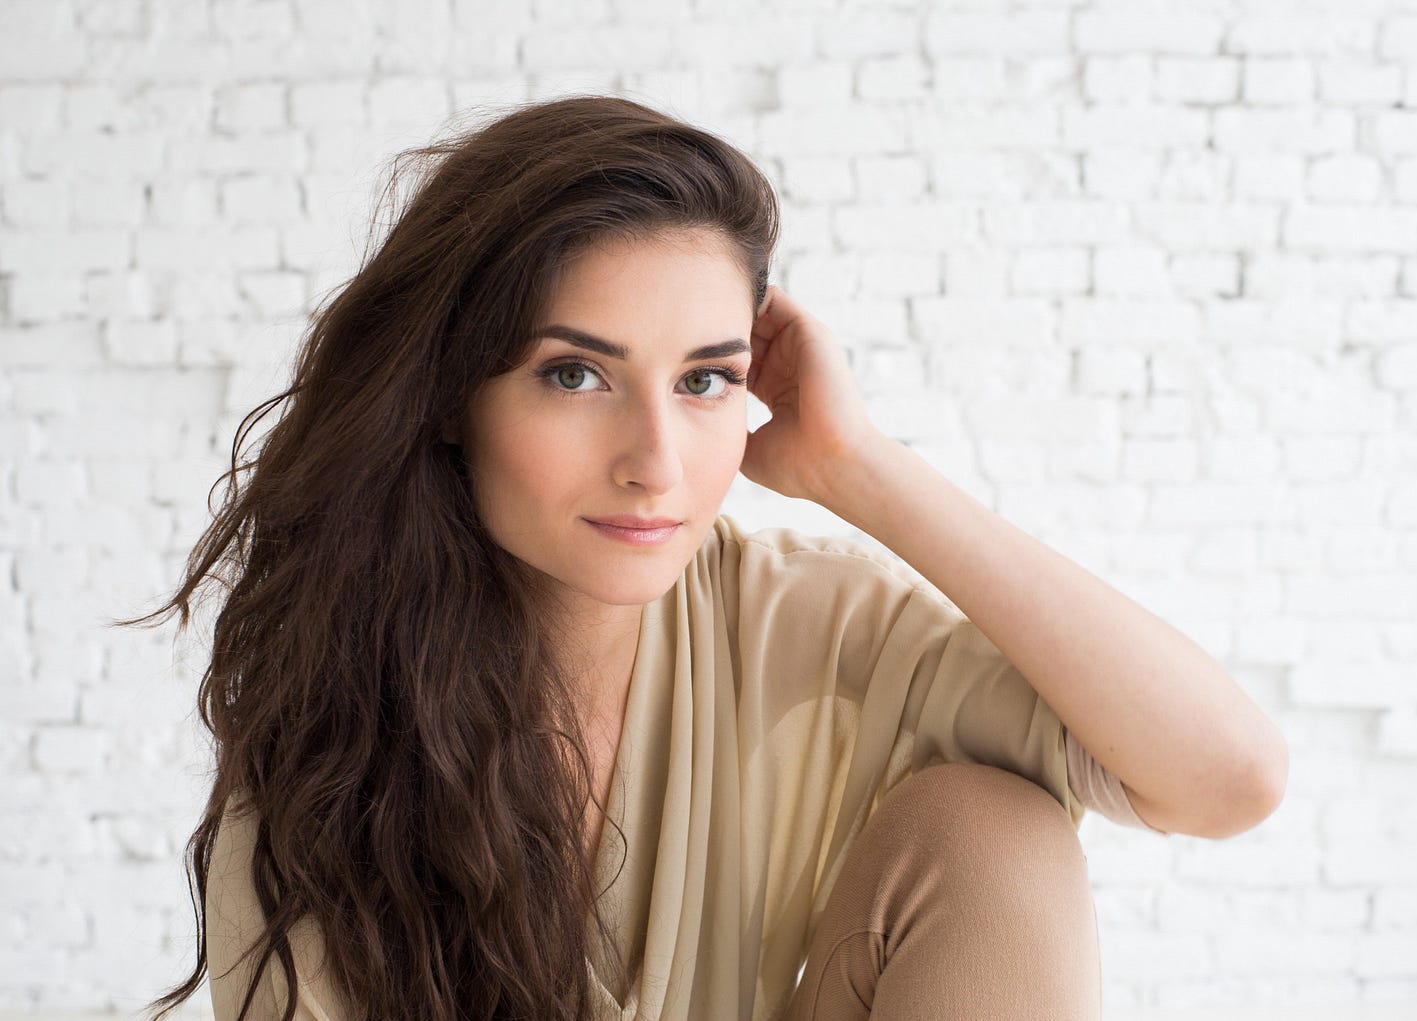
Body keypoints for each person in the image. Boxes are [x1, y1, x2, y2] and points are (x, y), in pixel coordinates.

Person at [120, 94, 1287, 1021]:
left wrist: (858, 466)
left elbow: (1226, 776)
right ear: (447, 395)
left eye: (705, 379)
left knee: (995, 834)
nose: (656, 461)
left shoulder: (791, 619)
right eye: (575, 374)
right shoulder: (332, 754)